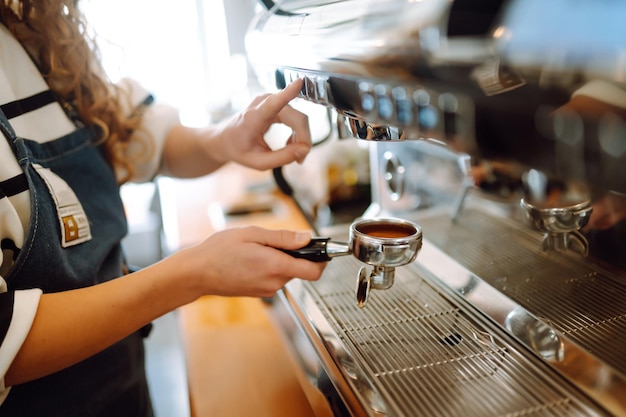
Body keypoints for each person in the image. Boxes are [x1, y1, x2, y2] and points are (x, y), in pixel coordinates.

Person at [0, 1, 326, 416]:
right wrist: (195, 272)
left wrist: (223, 138)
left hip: (124, 387)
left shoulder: (33, 29)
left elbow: (133, 137)